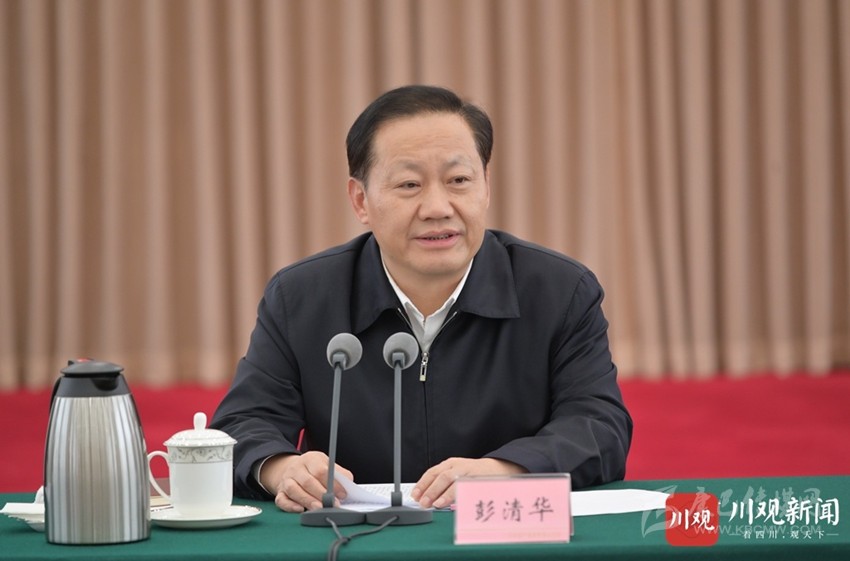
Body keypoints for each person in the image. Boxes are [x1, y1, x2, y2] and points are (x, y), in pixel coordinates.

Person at [210, 85, 632, 513]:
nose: (437, 207)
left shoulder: (559, 292)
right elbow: (242, 425)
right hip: (356, 538)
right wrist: (282, 468)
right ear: (361, 200)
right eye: (409, 184)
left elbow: (599, 428)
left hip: (500, 536)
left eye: (459, 181)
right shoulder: (301, 298)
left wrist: (503, 471)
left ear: (486, 187)